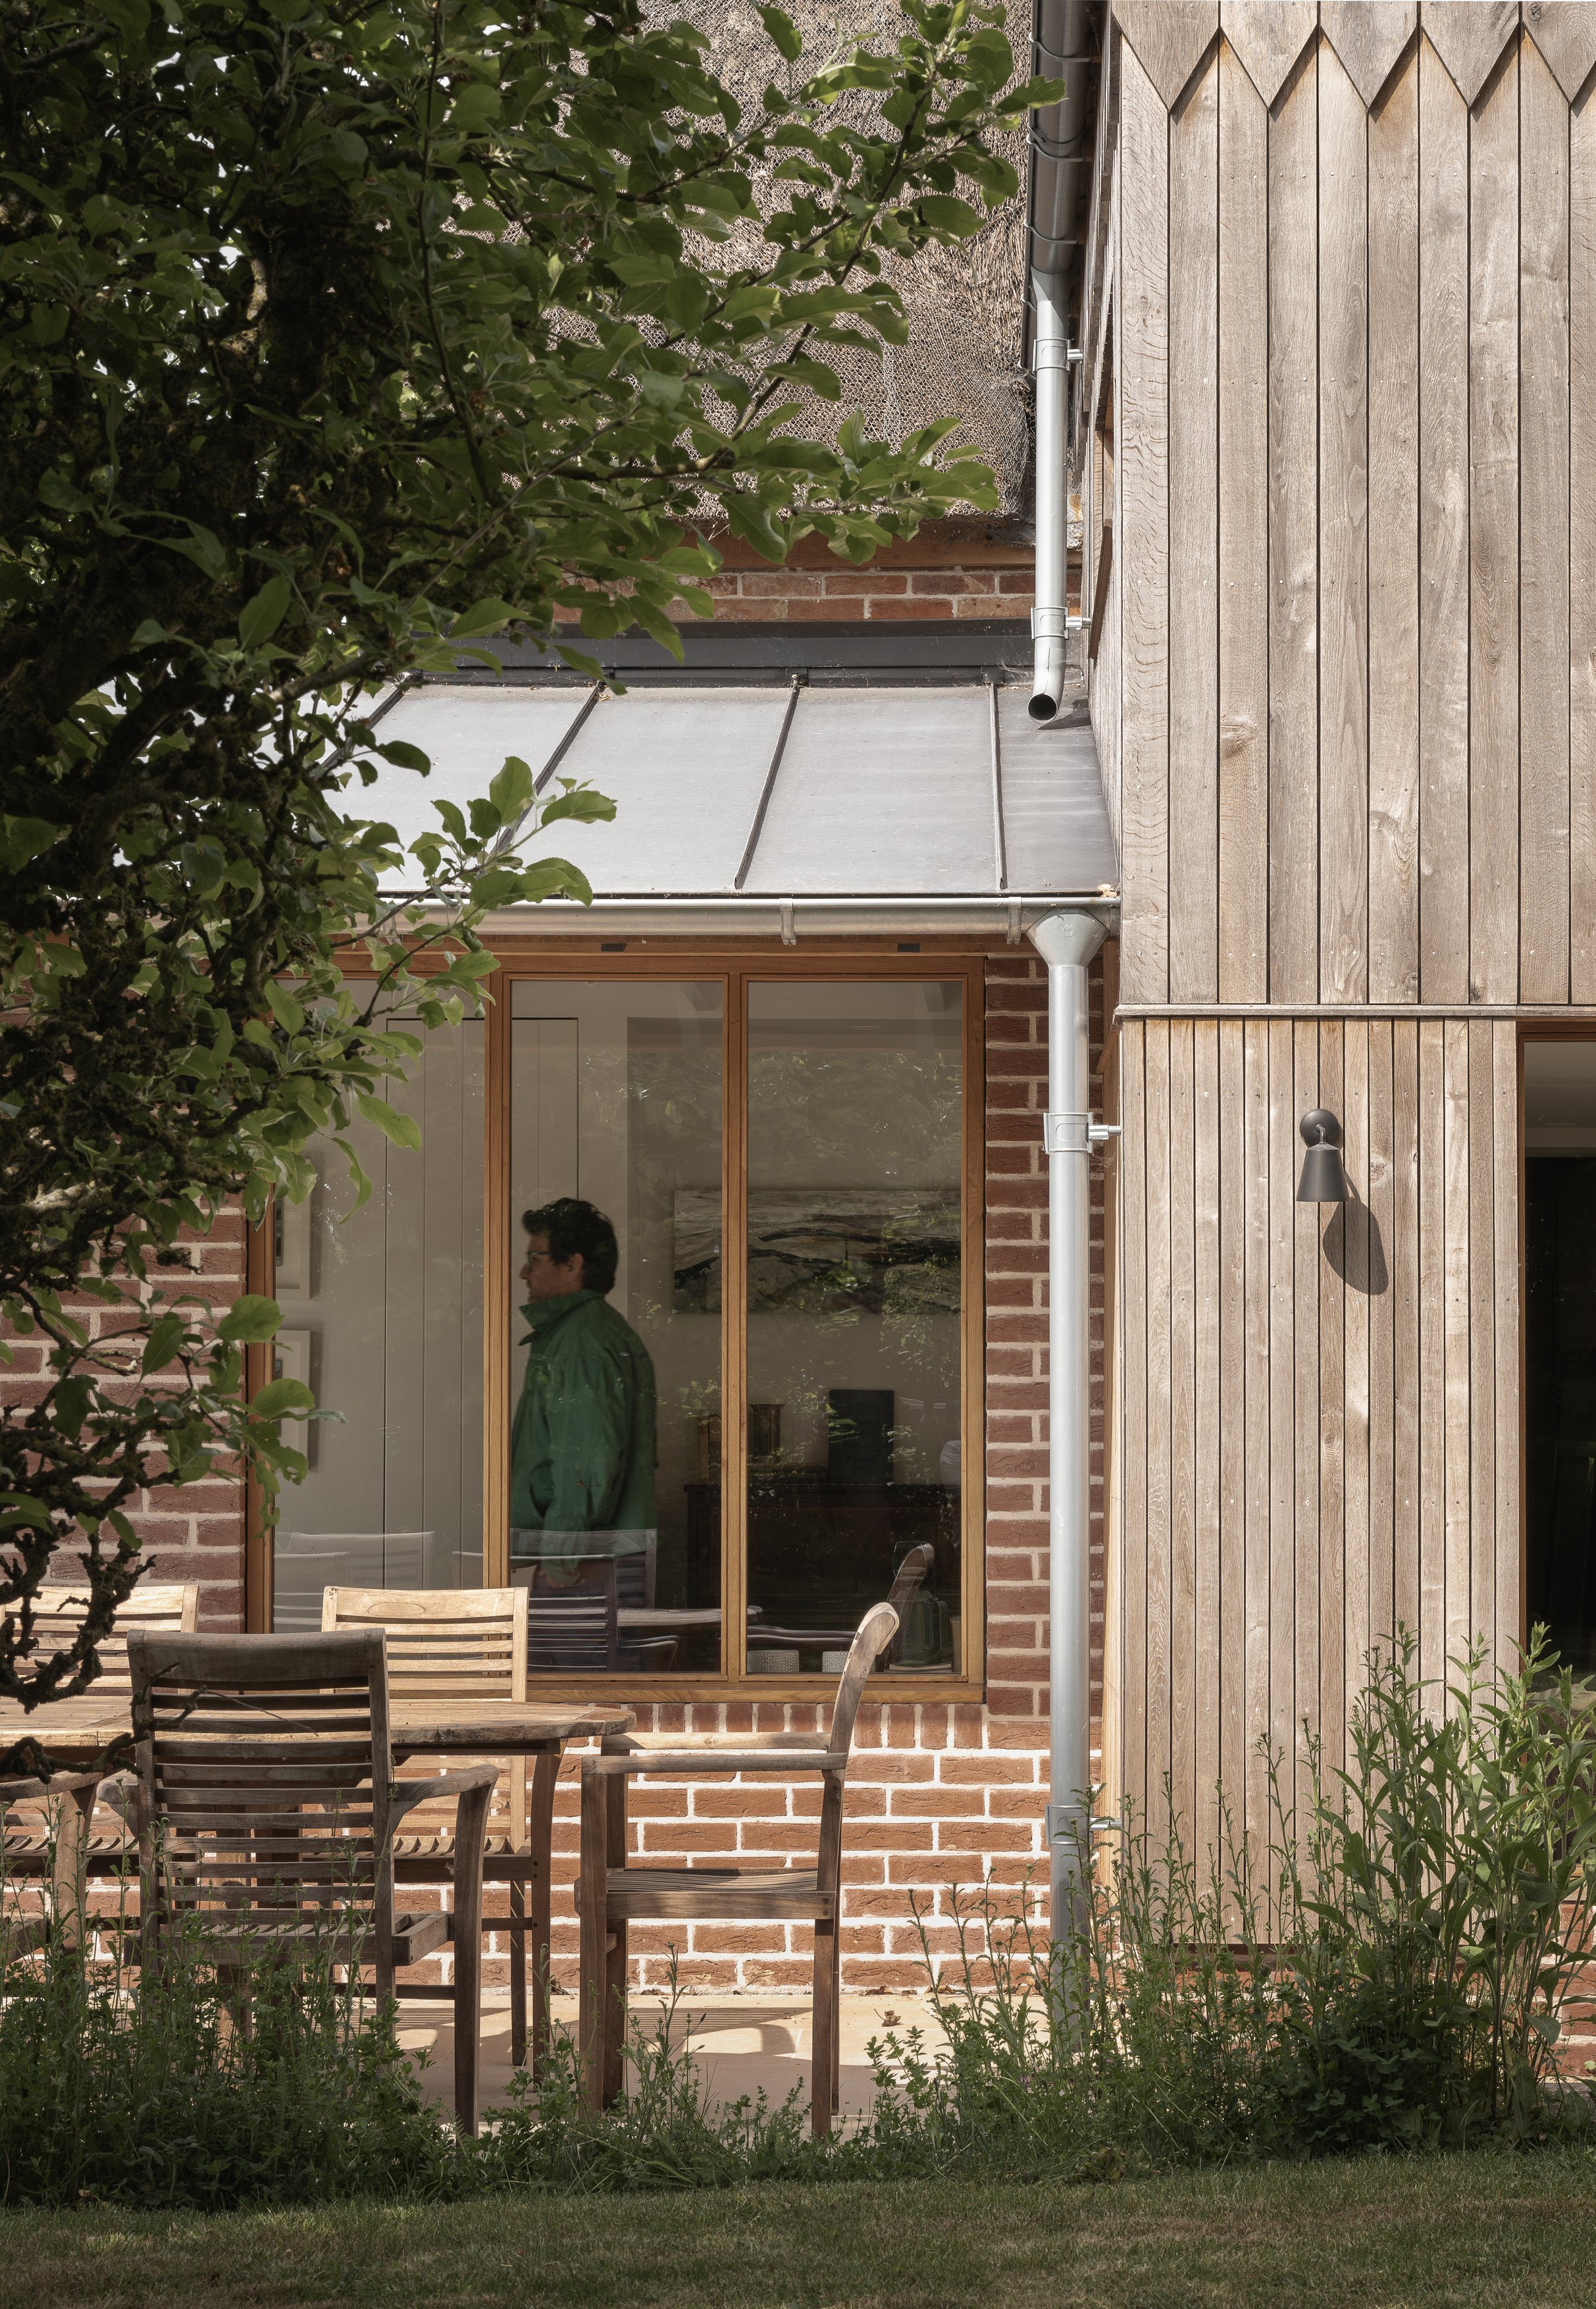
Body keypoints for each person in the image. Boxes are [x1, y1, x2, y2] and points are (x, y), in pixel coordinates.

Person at [508, 1197, 657, 1586]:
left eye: (535, 1258)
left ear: (572, 1265)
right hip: (589, 1557)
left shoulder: (581, 1343)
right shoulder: (588, 1331)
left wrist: (560, 1561)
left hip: (584, 1566)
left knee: (578, 1649)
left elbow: (586, 1465)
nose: (524, 1272)